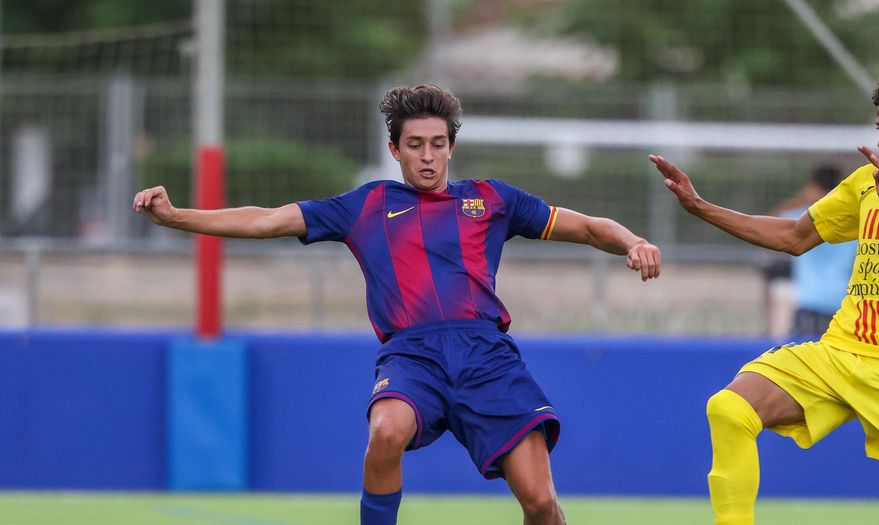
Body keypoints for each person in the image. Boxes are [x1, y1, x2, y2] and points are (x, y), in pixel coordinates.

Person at [133, 84, 661, 525]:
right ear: (395, 149)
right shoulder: (365, 205)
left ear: (451, 146)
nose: (427, 156)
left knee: (542, 504)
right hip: (412, 357)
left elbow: (589, 226)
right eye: (415, 145)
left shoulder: (492, 199)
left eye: (436, 144)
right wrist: (178, 217)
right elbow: (266, 219)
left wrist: (633, 241)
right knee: (386, 430)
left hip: (486, 356)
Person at [650, 69, 879, 525]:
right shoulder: (865, 182)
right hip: (840, 352)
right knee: (730, 407)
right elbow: (795, 235)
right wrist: (701, 207)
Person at [772, 165, 857, 339]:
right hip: (842, 303)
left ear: (812, 187)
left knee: (804, 361)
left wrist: (804, 197)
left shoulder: (799, 219)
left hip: (809, 303)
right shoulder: (852, 221)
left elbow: (774, 220)